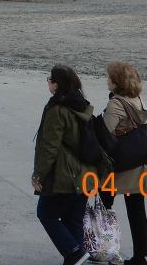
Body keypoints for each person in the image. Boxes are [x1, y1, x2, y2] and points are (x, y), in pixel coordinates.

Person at [32, 64, 94, 265]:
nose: (48, 83)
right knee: (73, 220)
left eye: (50, 79)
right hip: (85, 173)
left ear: (57, 84)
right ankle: (75, 258)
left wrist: (38, 175)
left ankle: (74, 253)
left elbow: (49, 146)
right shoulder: (83, 105)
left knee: (46, 214)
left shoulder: (57, 109)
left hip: (65, 175)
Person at [102, 62, 147, 265]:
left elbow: (106, 134)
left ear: (117, 82)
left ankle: (103, 247)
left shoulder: (116, 103)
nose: (106, 80)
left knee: (104, 203)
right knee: (137, 210)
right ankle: (140, 257)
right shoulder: (137, 98)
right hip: (140, 163)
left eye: (109, 77)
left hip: (122, 165)